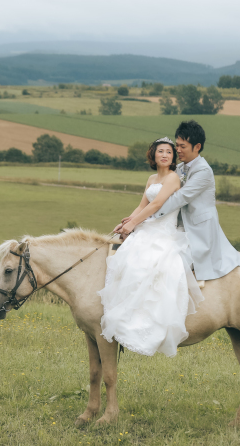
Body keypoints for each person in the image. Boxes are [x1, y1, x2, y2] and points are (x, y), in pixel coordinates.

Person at [98, 137, 203, 357]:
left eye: (169, 152)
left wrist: (135, 224)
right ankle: (126, 318)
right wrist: (127, 222)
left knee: (149, 265)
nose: (165, 155)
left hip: (163, 232)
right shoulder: (151, 178)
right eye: (161, 151)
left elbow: (157, 204)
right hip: (146, 228)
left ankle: (150, 324)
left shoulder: (174, 178)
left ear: (173, 157)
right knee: (125, 263)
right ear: (153, 155)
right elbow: (142, 205)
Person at [155, 120, 240, 281]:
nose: (177, 150)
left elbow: (180, 198)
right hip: (179, 226)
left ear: (197, 147)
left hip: (199, 231)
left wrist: (150, 216)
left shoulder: (203, 171)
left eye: (182, 146)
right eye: (177, 145)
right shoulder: (179, 168)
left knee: (172, 266)